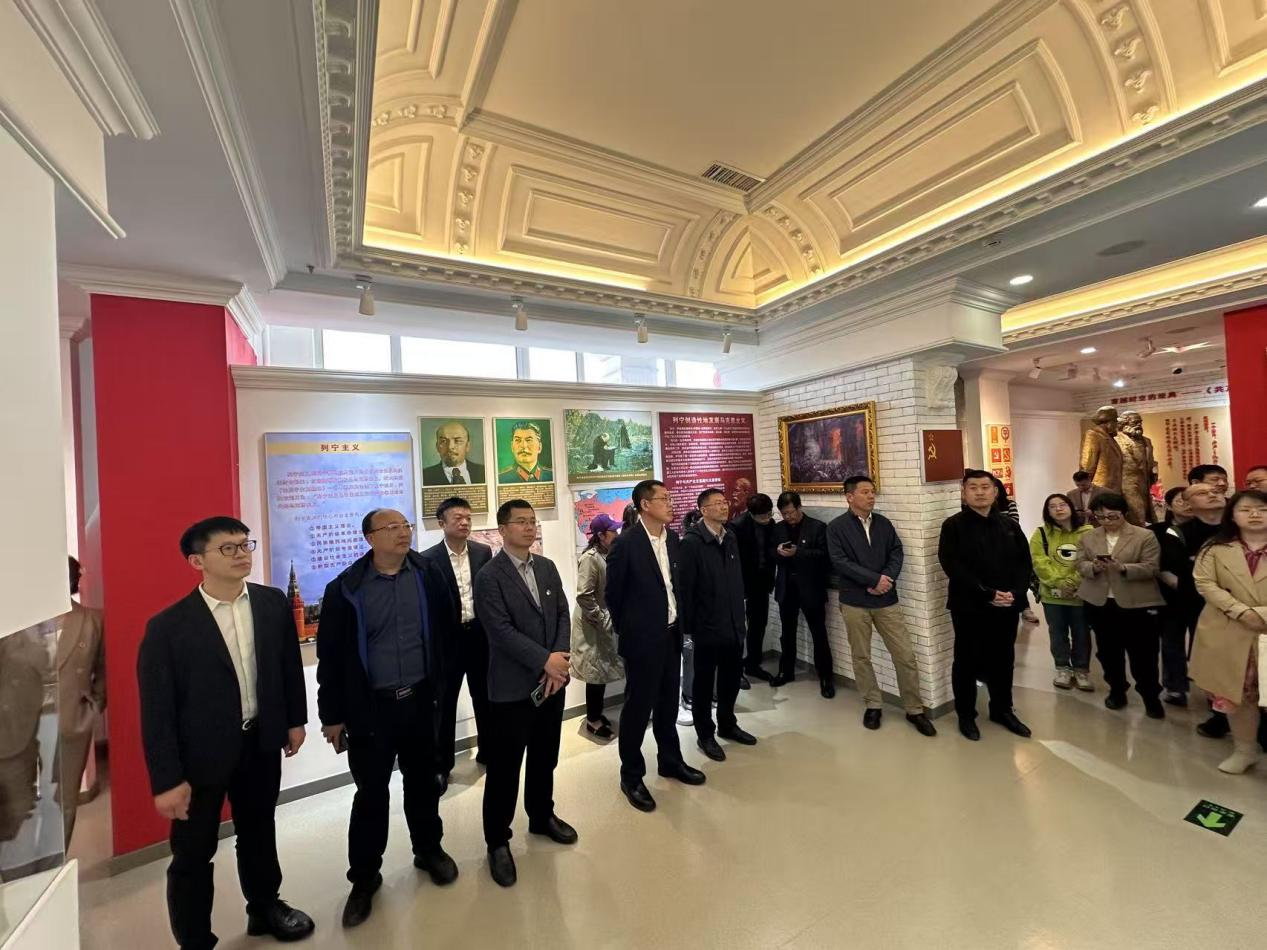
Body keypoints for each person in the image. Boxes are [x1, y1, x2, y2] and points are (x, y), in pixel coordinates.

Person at [137, 517, 313, 949]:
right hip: (200, 756)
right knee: (193, 853)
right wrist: (166, 779)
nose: (241, 554)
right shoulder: (168, 627)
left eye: (244, 544)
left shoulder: (271, 603)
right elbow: (157, 711)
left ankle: (265, 907)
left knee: (259, 831)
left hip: (260, 743)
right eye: (227, 548)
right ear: (197, 561)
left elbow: (288, 668)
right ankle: (195, 939)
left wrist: (294, 721)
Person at [316, 509, 458, 928]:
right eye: (391, 528)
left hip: (420, 700)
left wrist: (442, 686)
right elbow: (331, 659)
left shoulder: (429, 574)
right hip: (371, 710)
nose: (402, 533)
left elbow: (447, 630)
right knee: (371, 795)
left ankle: (428, 849)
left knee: (424, 783)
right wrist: (332, 716)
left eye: (405, 526)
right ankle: (364, 878)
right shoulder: (346, 588)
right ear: (369, 538)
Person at [475, 499, 577, 887]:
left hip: (551, 684)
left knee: (544, 756)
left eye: (532, 521)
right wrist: (544, 661)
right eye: (520, 522)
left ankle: (541, 815)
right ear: (502, 529)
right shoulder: (490, 576)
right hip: (511, 688)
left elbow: (563, 613)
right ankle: (497, 841)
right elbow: (500, 631)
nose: (530, 527)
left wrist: (559, 660)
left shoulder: (546, 567)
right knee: (504, 769)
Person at [607, 479, 707, 813]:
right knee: (638, 708)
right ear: (645, 505)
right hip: (641, 640)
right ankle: (631, 776)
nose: (670, 503)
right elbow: (613, 596)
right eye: (663, 498)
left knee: (667, 703)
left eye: (670, 497)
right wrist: (631, 631)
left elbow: (676, 586)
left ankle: (670, 760)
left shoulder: (673, 539)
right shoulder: (626, 544)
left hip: (671, 634)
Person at [827, 475, 936, 735]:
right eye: (865, 492)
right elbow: (839, 561)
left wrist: (887, 579)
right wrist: (873, 580)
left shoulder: (883, 523)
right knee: (861, 656)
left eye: (872, 492)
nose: (871, 496)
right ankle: (873, 704)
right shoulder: (836, 527)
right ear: (850, 497)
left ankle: (914, 708)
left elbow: (896, 552)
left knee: (905, 655)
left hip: (886, 600)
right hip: (854, 602)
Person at [937, 471, 1033, 741]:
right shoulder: (953, 525)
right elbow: (952, 566)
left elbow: (1024, 563)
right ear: (964, 493)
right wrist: (987, 593)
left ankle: (1002, 709)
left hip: (1006, 606)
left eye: (985, 487)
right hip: (969, 606)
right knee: (966, 661)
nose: (979, 492)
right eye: (973, 487)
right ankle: (966, 715)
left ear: (995, 492)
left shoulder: (1009, 525)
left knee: (1004, 659)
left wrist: (1015, 592)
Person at [1189, 490, 1267, 773]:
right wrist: (1241, 612)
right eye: (1246, 509)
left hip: (1264, 629)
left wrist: (1260, 615)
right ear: (1232, 515)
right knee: (1239, 695)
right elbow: (1204, 583)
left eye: (1262, 509)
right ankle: (1245, 750)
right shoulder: (1215, 548)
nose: (1254, 514)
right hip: (1229, 628)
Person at [679, 488, 758, 762]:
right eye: (717, 504)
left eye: (724, 502)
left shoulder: (730, 536)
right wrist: (691, 628)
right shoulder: (692, 543)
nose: (724, 507)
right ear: (703, 510)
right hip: (707, 627)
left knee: (730, 679)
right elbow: (686, 589)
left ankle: (728, 723)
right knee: (703, 684)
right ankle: (705, 734)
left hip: (734, 623)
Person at [422, 497, 492, 790]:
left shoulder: (483, 552)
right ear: (442, 523)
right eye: (457, 518)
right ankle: (441, 766)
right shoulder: (427, 560)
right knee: (444, 703)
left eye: (468, 518)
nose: (464, 523)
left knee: (485, 697)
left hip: (479, 636)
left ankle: (489, 751)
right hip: (447, 642)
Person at [1075, 493, 1166, 718]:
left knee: (1143, 654)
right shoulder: (1088, 536)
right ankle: (1117, 689)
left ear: (1124, 513)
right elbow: (1080, 563)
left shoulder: (1144, 535)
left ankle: (1150, 696)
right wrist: (1093, 567)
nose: (1106, 521)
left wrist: (1123, 568)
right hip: (1100, 602)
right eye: (1100, 517)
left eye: (1112, 516)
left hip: (1137, 603)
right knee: (1108, 652)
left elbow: (1152, 567)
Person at [57, 555, 106, 846]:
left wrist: (92, 708)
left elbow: (103, 672)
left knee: (63, 801)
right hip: (14, 725)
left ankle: (55, 865)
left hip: (69, 723)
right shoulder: (16, 622)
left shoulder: (91, 620)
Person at [1180, 481, 1231, 737]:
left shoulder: (1241, 528)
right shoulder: (1181, 534)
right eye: (1202, 493)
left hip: (1251, 606)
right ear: (1188, 506)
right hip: (1203, 607)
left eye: (1215, 492)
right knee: (1216, 663)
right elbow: (1182, 572)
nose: (1212, 494)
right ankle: (1221, 715)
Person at [771, 491, 834, 695]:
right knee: (787, 633)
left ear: (799, 508)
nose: (788, 517)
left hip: (810, 588)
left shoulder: (817, 527)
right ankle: (786, 671)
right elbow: (770, 555)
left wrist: (798, 552)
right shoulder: (778, 528)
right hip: (786, 588)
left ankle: (825, 677)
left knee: (819, 634)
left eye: (791, 512)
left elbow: (825, 557)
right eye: (784, 513)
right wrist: (778, 551)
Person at [1029, 494, 1093, 691]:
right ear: (1047, 512)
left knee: (1082, 633)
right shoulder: (1041, 533)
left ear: (1071, 507)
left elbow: (1091, 559)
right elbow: (1039, 562)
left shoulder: (1088, 532)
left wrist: (1072, 583)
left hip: (1080, 593)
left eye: (1062, 504)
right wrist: (1059, 583)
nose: (1058, 509)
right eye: (1052, 506)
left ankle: (1081, 670)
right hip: (1052, 595)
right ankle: (1062, 668)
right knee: (1057, 633)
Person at [571, 513, 624, 740]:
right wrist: (601, 618)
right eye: (613, 531)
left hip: (602, 621)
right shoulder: (590, 558)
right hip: (591, 624)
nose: (617, 534)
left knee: (600, 670)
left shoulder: (608, 554)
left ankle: (597, 714)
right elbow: (584, 595)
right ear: (601, 535)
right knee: (594, 672)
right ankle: (593, 720)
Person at [1151, 486, 1195, 706]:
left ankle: (1210, 685)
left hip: (1204, 597)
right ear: (1168, 505)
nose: (1187, 505)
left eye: (1191, 500)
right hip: (1170, 596)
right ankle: (1175, 686)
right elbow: (1153, 562)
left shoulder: (1212, 530)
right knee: (1171, 642)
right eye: (1181, 501)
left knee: (1203, 643)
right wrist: (1173, 581)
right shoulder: (1157, 531)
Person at [730, 493, 777, 684]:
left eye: (769, 514)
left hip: (761, 582)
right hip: (741, 583)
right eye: (762, 516)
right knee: (738, 627)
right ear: (751, 513)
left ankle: (753, 663)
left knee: (758, 623)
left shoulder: (771, 523)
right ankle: (735, 668)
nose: (767, 519)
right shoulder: (736, 527)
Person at [422, 421, 485, 485]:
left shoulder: (484, 471)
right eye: (443, 441)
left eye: (457, 441)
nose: (450, 447)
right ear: (437, 447)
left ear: (467, 446)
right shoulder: (424, 476)